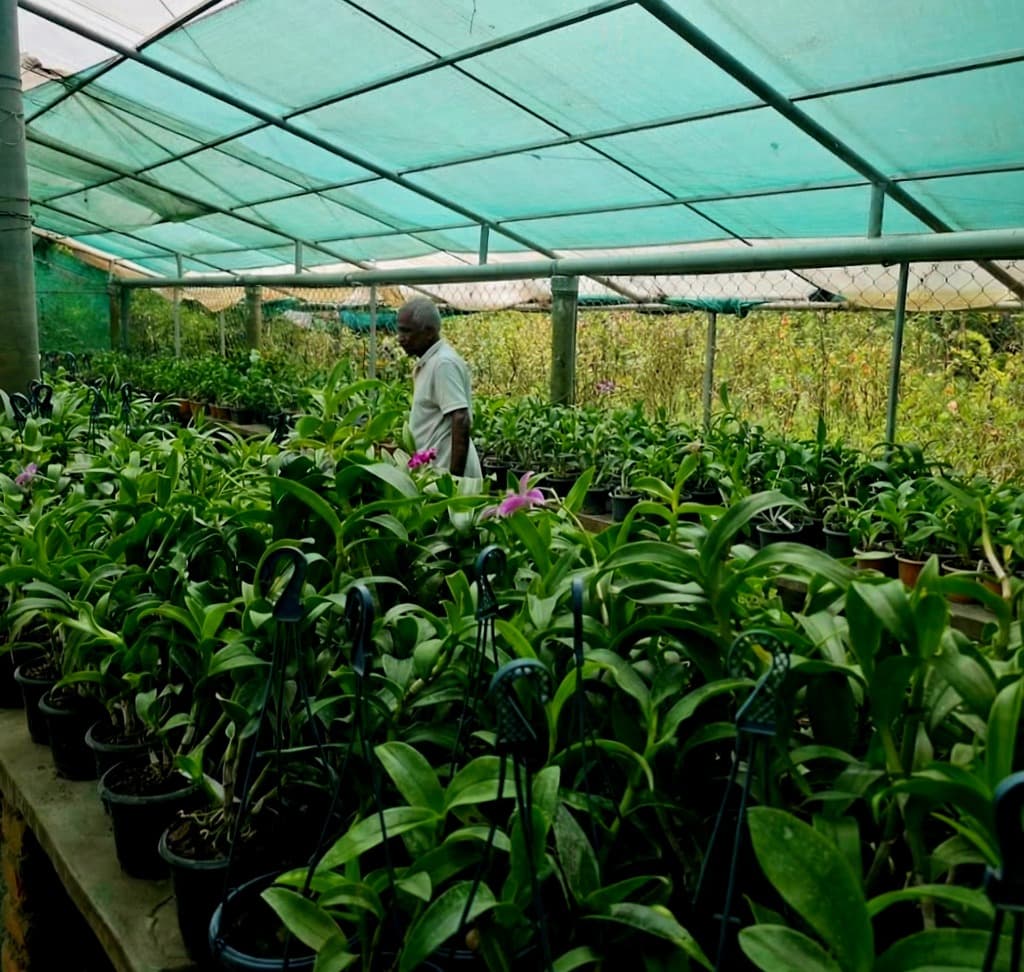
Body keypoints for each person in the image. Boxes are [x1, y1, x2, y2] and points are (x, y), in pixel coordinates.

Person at [396, 297, 481, 478]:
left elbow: (461, 418)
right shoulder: (431, 362)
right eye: (399, 330)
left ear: (428, 332)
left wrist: (454, 480)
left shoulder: (443, 364)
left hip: (445, 474)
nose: (400, 339)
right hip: (434, 470)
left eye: (407, 331)